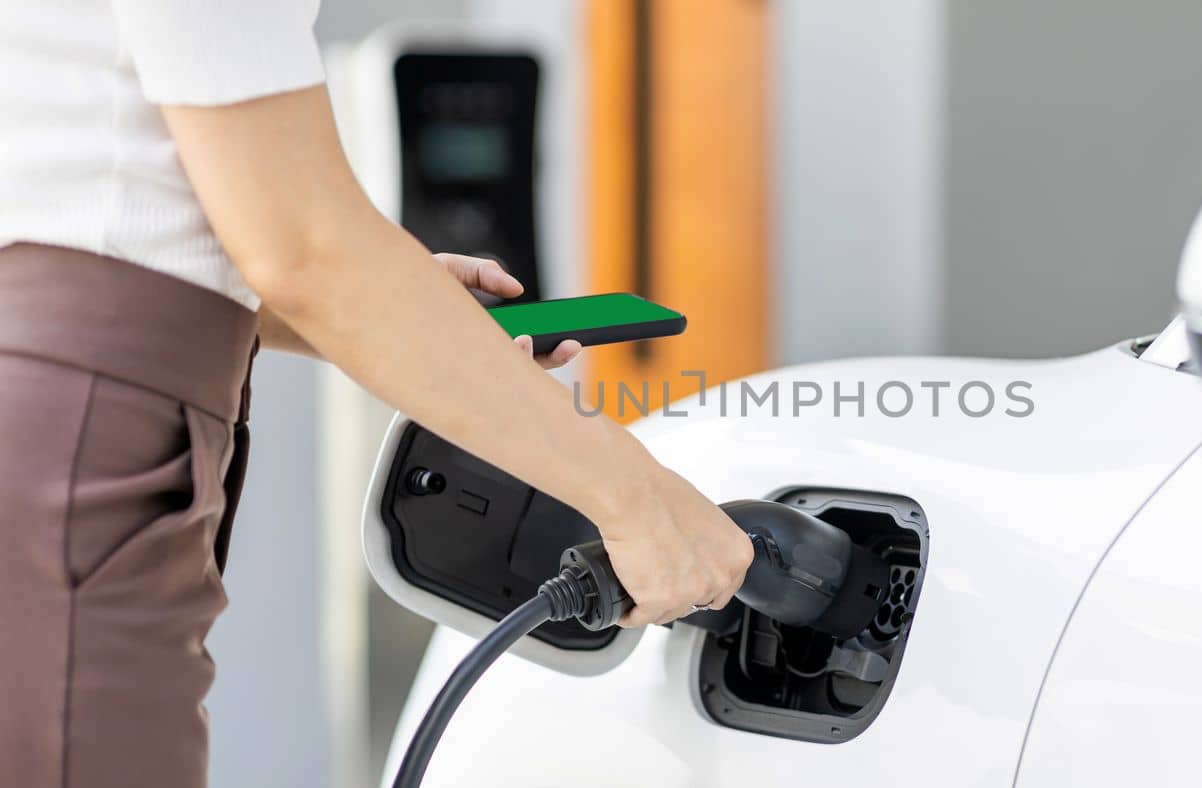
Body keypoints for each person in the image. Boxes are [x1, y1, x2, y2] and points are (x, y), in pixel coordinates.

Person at [0, 3, 753, 786]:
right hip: (82, 430)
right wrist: (641, 502)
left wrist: (406, 310)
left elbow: (149, 227)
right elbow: (310, 251)